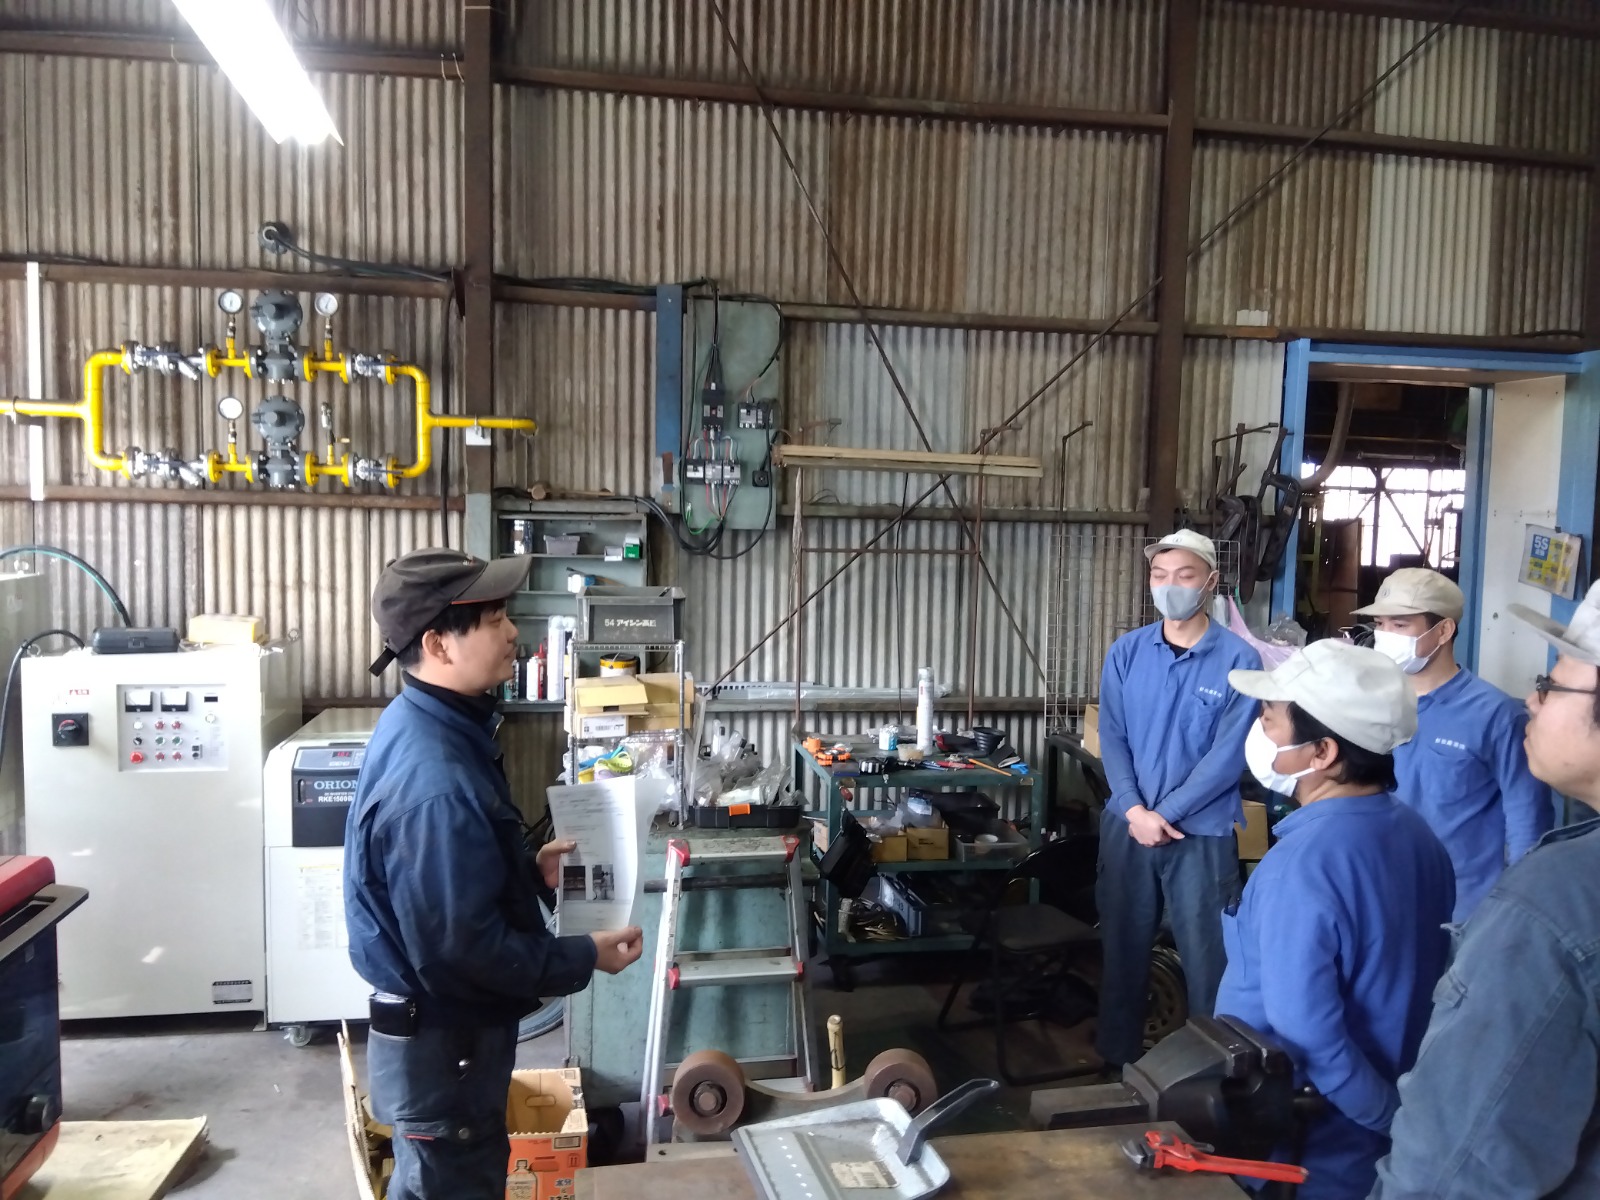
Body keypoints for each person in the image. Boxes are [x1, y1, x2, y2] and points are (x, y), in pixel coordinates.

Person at [345, 548, 645, 1200]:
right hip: (445, 1055)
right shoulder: (437, 779)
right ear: (437, 644)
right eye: (493, 619)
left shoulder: (430, 723)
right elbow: (463, 952)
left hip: (445, 1047)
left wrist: (524, 871)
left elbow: (441, 888)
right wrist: (583, 955)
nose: (513, 633)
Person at [1371, 581, 1600, 1199]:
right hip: (1394, 912)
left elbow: (1459, 1161)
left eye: (1552, 684)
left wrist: (1511, 910)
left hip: (1466, 922)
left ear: (1442, 629)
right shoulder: (1380, 703)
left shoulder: (1552, 907)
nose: (1534, 698)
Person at [1220, 639, 1455, 1199]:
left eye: (1270, 718)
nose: (1260, 730)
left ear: (1322, 751)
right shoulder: (1419, 836)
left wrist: (1382, 1115)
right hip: (1377, 1129)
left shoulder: (1301, 865)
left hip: (1306, 1145)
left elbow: (1306, 1030)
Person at [1094, 529, 1261, 1070]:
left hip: (1200, 835)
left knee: (1208, 959)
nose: (1170, 586)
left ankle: (1212, 1072)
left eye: (1184, 576)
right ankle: (1118, 1067)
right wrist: (1134, 809)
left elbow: (1228, 756)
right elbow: (1112, 736)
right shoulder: (1127, 652)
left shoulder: (1240, 659)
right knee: (1122, 951)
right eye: (1159, 575)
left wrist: (1162, 815)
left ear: (1210, 582)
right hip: (1128, 826)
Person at [1354, 567, 1551, 920]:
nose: (1384, 636)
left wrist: (1515, 912)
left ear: (1443, 631)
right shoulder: (1370, 705)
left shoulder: (1497, 715)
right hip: (1383, 898)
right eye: (1380, 624)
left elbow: (1528, 819)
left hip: (1463, 912)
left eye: (1400, 625)